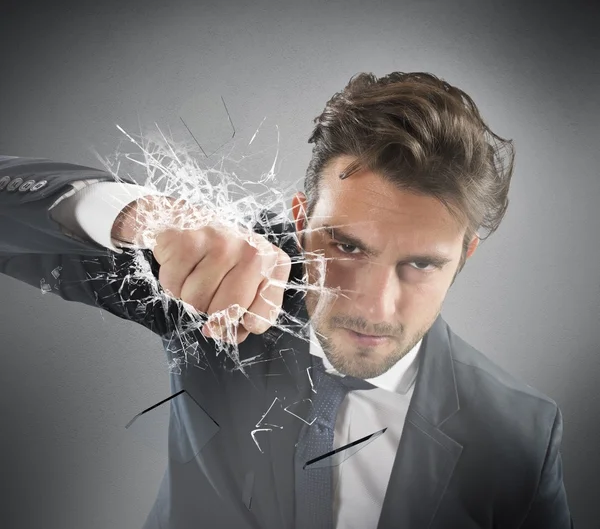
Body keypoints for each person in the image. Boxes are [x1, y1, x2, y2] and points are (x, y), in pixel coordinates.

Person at [0, 72, 573, 529]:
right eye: (346, 247)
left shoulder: (519, 432)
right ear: (300, 221)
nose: (374, 305)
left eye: (421, 264)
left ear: (465, 255)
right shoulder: (226, 283)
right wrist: (139, 217)